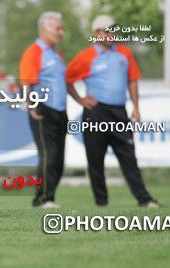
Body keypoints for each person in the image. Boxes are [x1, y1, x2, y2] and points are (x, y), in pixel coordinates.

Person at [66, 14, 158, 208]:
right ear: (97, 33)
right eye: (108, 30)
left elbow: (132, 80)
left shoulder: (125, 53)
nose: (112, 33)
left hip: (119, 112)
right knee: (95, 158)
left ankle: (145, 199)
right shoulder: (86, 57)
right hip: (95, 112)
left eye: (113, 30)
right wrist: (80, 99)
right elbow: (67, 78)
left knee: (128, 157)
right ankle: (101, 202)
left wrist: (136, 107)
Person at [19, 12, 68, 208]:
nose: (61, 32)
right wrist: (31, 106)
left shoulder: (58, 55)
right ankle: (42, 199)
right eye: (58, 28)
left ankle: (50, 196)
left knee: (59, 157)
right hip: (42, 108)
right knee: (48, 154)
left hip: (60, 111)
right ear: (44, 29)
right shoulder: (33, 52)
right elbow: (26, 82)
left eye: (61, 28)